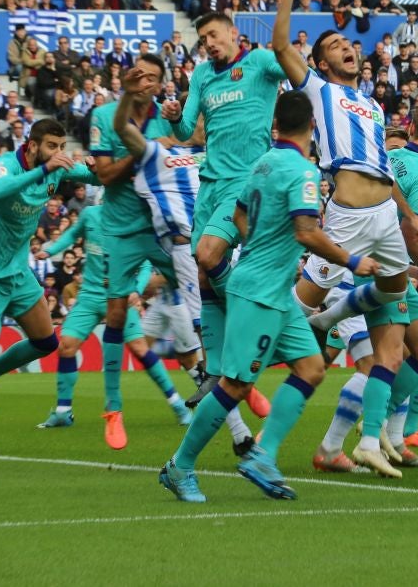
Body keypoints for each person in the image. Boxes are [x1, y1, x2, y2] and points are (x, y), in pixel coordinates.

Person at [159, 91, 379, 503]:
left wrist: (260, 244)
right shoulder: (303, 171)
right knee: (236, 386)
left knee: (312, 367)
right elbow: (307, 232)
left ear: (276, 124)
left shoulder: (261, 164)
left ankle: (263, 456)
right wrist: (353, 261)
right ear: (313, 127)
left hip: (272, 290)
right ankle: (179, 466)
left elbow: (240, 215)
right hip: (259, 292)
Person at [271, 0, 418, 476]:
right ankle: (239, 362)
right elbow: (281, 46)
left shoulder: (369, 105)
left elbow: (385, 171)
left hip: (386, 220)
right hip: (345, 216)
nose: (348, 48)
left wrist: (410, 218)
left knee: (395, 307)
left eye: (349, 44)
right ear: (321, 65)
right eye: (335, 48)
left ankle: (371, 438)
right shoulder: (319, 91)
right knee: (299, 308)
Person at [0, 120, 101, 470]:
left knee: (46, 342)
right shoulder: (7, 165)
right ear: (31, 145)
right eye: (51, 146)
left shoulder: (56, 168)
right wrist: (47, 167)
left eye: (61, 146)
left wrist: (96, 164)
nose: (58, 152)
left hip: (17, 271)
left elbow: (101, 179)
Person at [312, 109, 418, 476]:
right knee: (385, 360)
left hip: (361, 257)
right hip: (381, 270)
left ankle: (389, 435)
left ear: (409, 128)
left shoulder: (385, 157)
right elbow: (410, 228)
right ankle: (369, 433)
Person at [160, 12, 286, 420]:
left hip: (247, 181)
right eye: (203, 39)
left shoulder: (262, 62)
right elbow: (182, 134)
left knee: (209, 255)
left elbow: (288, 60)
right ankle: (215, 369)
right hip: (210, 184)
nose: (209, 43)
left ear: (233, 33)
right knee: (201, 271)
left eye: (214, 35)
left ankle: (252, 320)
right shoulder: (201, 75)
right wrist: (174, 113)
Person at [88, 53, 193, 451]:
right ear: (129, 79)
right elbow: (103, 174)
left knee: (208, 284)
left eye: (153, 77)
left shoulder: (169, 117)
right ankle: (113, 410)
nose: (146, 82)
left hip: (164, 224)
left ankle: (226, 379)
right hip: (121, 227)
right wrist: (145, 152)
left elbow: (189, 152)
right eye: (140, 76)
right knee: (117, 312)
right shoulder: (104, 116)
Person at [30, 200, 193, 444]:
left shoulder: (135, 219)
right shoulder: (90, 215)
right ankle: (63, 411)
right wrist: (50, 251)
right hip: (89, 296)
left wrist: (136, 290)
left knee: (140, 349)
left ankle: (178, 405)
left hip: (120, 295)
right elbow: (72, 235)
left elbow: (147, 262)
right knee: (66, 346)